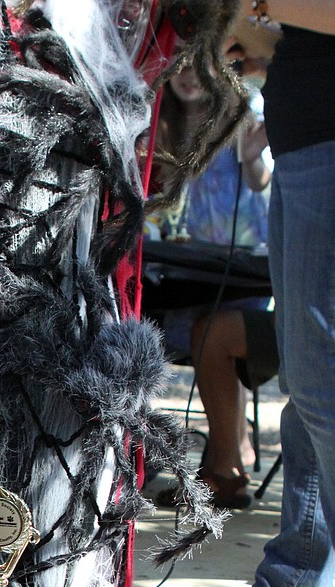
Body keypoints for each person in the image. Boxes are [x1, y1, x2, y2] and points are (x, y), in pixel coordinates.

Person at [194, 4, 335, 587]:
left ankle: (299, 581)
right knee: (310, 395)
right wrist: (266, 40)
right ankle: (299, 582)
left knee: (320, 383)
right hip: (306, 134)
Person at [148, 55, 273, 508]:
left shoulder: (239, 118)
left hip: (236, 263)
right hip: (181, 261)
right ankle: (225, 454)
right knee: (180, 320)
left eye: (199, 65)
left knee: (219, 321)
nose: (187, 75)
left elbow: (259, 181)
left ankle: (229, 455)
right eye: (178, 65)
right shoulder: (162, 125)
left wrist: (254, 154)